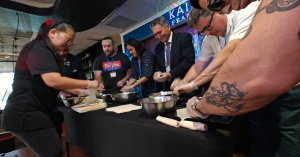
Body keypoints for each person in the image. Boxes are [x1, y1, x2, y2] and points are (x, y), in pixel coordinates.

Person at [187, 0, 300, 157]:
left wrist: (197, 102)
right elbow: (201, 65)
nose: (226, 10)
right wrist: (188, 84)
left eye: (216, 3)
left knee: (288, 133)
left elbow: (236, 58)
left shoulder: (247, 10)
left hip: (289, 87)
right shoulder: (218, 30)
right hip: (258, 88)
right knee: (261, 130)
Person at [1, 19, 98, 157]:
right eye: (68, 39)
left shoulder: (47, 52)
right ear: (53, 33)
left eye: (71, 42)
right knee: (52, 151)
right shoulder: (39, 48)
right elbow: (54, 81)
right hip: (26, 113)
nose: (69, 44)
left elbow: (59, 85)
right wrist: (89, 84)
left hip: (35, 112)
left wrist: (83, 92)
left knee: (50, 150)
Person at [172, 2, 259, 95]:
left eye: (207, 27)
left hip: (258, 79)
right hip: (238, 85)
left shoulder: (242, 12)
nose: (207, 33)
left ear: (217, 11)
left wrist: (193, 84)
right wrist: (183, 82)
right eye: (202, 31)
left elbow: (230, 50)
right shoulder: (209, 39)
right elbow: (199, 65)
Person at [150, 16, 195, 91]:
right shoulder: (158, 48)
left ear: (168, 26)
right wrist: (158, 72)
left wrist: (170, 74)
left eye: (159, 32)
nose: (157, 37)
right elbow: (157, 65)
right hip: (169, 89)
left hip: (186, 85)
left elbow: (188, 61)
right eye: (155, 34)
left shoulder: (184, 38)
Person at [51, 48, 86, 140]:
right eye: (59, 50)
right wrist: (60, 91)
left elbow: (81, 78)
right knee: (56, 124)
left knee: (77, 122)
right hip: (56, 99)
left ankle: (81, 142)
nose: (62, 53)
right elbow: (50, 81)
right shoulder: (50, 60)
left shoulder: (76, 60)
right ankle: (58, 146)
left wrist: (80, 90)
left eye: (65, 51)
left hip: (73, 99)